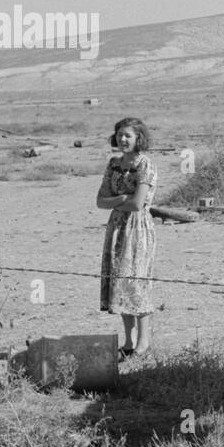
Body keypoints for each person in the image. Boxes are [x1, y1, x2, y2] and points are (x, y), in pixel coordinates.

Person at [97, 116, 158, 358]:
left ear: (138, 138)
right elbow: (100, 201)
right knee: (119, 282)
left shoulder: (146, 165)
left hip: (138, 229)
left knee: (136, 282)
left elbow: (137, 204)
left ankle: (144, 341)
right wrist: (122, 199)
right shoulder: (113, 164)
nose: (123, 139)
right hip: (116, 228)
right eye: (120, 134)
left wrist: (120, 200)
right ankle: (129, 341)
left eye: (128, 136)